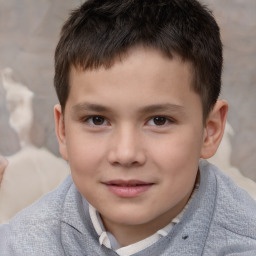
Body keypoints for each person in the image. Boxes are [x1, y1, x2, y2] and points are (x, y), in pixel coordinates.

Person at [0, 0, 256, 255]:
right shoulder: (19, 243)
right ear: (63, 131)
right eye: (97, 120)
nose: (125, 154)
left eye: (159, 120)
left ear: (209, 131)